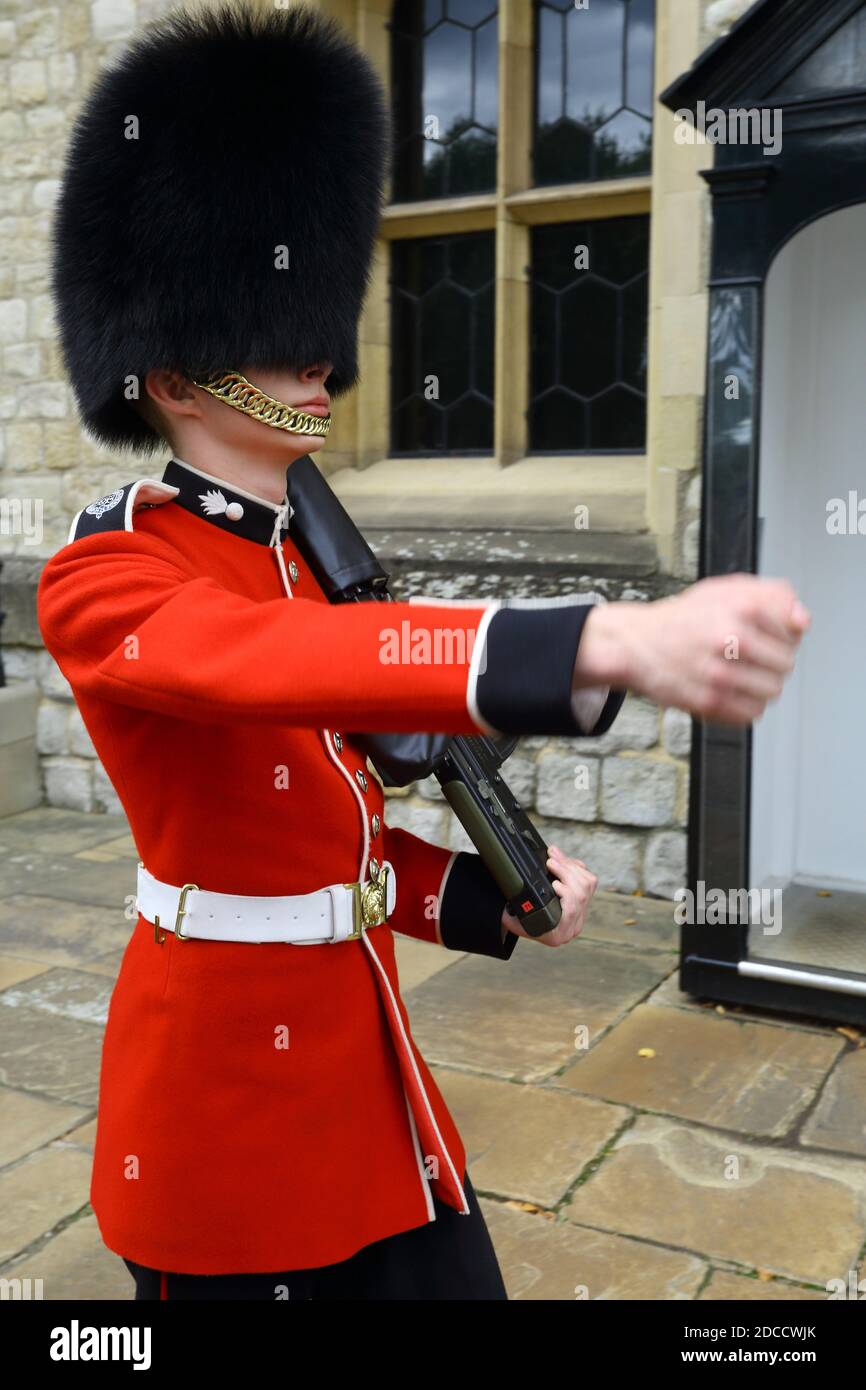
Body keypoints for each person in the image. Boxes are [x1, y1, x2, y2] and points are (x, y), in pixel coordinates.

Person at [36, 2, 808, 1301]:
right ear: (174, 375)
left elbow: (326, 843)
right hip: (222, 1124)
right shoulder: (106, 574)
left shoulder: (302, 564)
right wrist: (602, 632)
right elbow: (260, 663)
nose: (318, 364)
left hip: (370, 1083)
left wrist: (488, 895)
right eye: (278, 343)